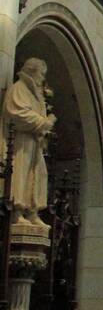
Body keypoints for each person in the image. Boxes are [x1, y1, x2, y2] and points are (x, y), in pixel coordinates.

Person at [0, 58, 55, 225]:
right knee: (20, 171)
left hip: (34, 141)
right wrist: (43, 122)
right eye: (41, 74)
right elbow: (16, 113)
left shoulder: (33, 93)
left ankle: (32, 211)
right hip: (19, 141)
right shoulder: (19, 89)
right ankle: (17, 211)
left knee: (38, 174)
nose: (42, 78)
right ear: (32, 71)